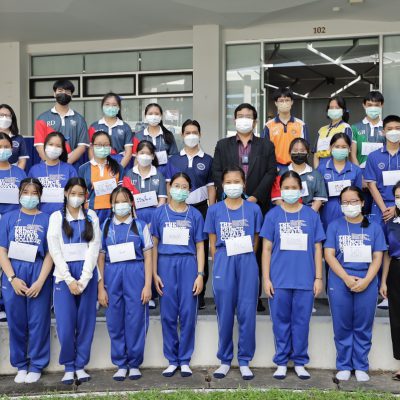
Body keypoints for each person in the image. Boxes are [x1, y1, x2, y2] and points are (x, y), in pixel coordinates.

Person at [260, 170, 325, 380]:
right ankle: (281, 361)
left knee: (301, 323)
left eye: (294, 188)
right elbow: (266, 249)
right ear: (280, 190)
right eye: (286, 188)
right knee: (280, 323)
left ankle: (299, 362)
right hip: (279, 280)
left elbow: (317, 248)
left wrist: (318, 278)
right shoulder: (273, 216)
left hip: (305, 279)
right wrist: (266, 278)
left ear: (301, 190)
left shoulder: (311, 215)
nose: (290, 191)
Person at [213, 102, 276, 312]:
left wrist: (254, 198)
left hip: (256, 205)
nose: (244, 119)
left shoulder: (266, 145)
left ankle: (253, 296)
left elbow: (271, 172)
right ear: (234, 120)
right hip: (229, 206)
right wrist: (231, 197)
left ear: (255, 121)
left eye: (248, 116)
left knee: (254, 250)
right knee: (230, 249)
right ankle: (229, 296)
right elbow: (217, 172)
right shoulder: (223, 145)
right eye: (240, 115)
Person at [204, 166, 263, 381]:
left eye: (237, 181)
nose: (232, 186)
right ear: (222, 185)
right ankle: (225, 359)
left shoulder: (253, 209)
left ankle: (245, 360)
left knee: (247, 312)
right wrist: (220, 261)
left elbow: (256, 239)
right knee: (225, 312)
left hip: (246, 260)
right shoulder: (214, 210)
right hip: (223, 260)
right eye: (228, 182)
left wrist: (245, 256)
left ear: (244, 184)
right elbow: (212, 242)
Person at [325, 186, 386, 382]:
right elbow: (329, 255)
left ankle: (361, 365)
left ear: (362, 202)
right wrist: (345, 278)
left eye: (354, 201)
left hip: (367, 280)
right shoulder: (334, 226)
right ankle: (344, 365)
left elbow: (378, 257)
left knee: (363, 325)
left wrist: (367, 280)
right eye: (345, 202)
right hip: (340, 280)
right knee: (342, 324)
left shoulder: (374, 227)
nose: (349, 205)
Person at [151, 173, 205, 378]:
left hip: (188, 264)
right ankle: (172, 360)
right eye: (176, 185)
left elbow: (200, 246)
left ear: (189, 190)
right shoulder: (159, 213)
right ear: (169, 188)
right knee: (168, 314)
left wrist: (200, 274)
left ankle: (185, 359)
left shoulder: (195, 215)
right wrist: (154, 273)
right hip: (165, 264)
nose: (180, 190)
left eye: (184, 187)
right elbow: (154, 245)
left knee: (188, 314)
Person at [47, 177, 101, 384]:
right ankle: (69, 366)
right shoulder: (56, 217)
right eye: (73, 193)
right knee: (66, 323)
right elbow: (55, 250)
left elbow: (94, 248)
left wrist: (84, 279)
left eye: (81, 194)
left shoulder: (92, 216)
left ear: (86, 196)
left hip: (87, 274)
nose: (77, 198)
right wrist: (69, 279)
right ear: (66, 193)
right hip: (64, 276)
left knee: (86, 322)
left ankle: (80, 365)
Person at [0, 178, 53, 384]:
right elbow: (2, 250)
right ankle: (21, 365)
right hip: (14, 271)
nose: (29, 196)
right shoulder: (8, 217)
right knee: (16, 321)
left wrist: (40, 281)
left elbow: (50, 253)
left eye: (34, 193)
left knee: (39, 321)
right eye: (25, 192)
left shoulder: (47, 219)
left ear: (40, 196)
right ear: (19, 194)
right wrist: (12, 278)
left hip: (38, 271)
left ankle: (37, 364)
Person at [98, 187, 152, 381]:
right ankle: (121, 363)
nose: (121, 205)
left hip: (135, 274)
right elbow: (100, 258)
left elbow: (148, 257)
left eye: (124, 201)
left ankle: (134, 363)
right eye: (117, 202)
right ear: (111, 205)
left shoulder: (140, 226)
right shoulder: (105, 226)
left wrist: (147, 285)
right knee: (114, 320)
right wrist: (101, 287)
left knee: (135, 318)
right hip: (112, 274)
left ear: (131, 203)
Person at [169, 119, 216, 309]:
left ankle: (200, 294)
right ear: (182, 135)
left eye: (194, 132)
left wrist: (211, 210)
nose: (191, 136)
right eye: (187, 132)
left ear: (200, 134)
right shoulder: (174, 159)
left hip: (201, 209)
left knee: (201, 248)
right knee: (181, 248)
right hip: (178, 210)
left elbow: (211, 187)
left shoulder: (208, 159)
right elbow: (169, 186)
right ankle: (179, 291)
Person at [34, 79, 89, 167]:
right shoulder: (42, 118)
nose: (64, 93)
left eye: (67, 92)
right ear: (54, 93)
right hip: (47, 166)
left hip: (71, 166)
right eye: (60, 91)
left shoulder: (79, 119)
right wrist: (51, 164)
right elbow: (39, 145)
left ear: (72, 95)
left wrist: (66, 165)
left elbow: (82, 146)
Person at [317, 133, 362, 230]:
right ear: (330, 148)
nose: (340, 149)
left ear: (349, 149)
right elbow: (318, 194)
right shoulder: (321, 169)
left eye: (344, 147)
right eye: (337, 146)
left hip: (350, 209)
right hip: (328, 210)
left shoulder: (356, 170)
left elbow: (359, 195)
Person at [78, 131, 124, 225]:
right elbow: (81, 193)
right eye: (99, 145)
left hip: (113, 211)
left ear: (110, 147)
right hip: (92, 211)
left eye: (106, 145)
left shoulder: (118, 168)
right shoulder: (83, 168)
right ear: (92, 146)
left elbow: (122, 191)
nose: (102, 147)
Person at [271, 138, 327, 212]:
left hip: (309, 213)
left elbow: (319, 199)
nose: (298, 153)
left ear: (307, 154)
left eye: (302, 151)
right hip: (285, 213)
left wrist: (309, 215)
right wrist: (288, 213)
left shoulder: (316, 174)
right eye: (295, 150)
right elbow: (277, 198)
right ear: (289, 153)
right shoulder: (281, 173)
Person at [28, 131, 77, 215]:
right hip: (40, 216)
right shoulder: (34, 170)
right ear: (45, 146)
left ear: (62, 149)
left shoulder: (69, 169)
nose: (54, 148)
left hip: (63, 215)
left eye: (58, 146)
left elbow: (75, 193)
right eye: (51, 144)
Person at [364, 115, 400, 226]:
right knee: (379, 236)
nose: (394, 132)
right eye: (390, 129)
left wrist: (397, 208)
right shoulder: (373, 156)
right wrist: (384, 209)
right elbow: (371, 185)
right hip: (380, 207)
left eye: (397, 128)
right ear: (383, 132)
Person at [380, 181, 400, 379]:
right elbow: (387, 253)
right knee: (397, 317)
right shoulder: (391, 222)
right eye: (398, 197)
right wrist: (384, 281)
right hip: (396, 269)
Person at [261, 87, 309, 169]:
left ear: (292, 102)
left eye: (287, 100)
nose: (284, 103)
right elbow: (264, 150)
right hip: (275, 167)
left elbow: (306, 148)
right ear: (276, 103)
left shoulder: (301, 125)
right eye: (281, 100)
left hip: (296, 166)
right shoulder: (268, 126)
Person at [122, 140, 167, 225]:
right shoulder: (129, 174)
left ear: (153, 156)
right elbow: (126, 199)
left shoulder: (159, 175)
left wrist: (154, 220)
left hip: (154, 217)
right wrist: (133, 218)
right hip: (134, 216)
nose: (144, 156)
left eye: (148, 153)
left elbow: (162, 200)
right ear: (136, 154)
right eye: (142, 153)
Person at [88, 92, 133, 168]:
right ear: (102, 106)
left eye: (114, 105)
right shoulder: (94, 126)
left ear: (119, 107)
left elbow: (128, 153)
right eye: (107, 104)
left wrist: (119, 169)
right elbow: (91, 149)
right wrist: (96, 166)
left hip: (120, 162)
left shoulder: (125, 127)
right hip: (98, 163)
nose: (110, 107)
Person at [134, 103, 178, 174]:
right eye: (150, 114)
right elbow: (135, 159)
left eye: (157, 114)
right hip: (143, 174)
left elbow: (174, 157)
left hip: (165, 174)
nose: (153, 116)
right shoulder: (138, 136)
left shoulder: (168, 135)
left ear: (161, 116)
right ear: (145, 116)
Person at [313, 96, 353, 168]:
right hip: (321, 169)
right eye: (331, 108)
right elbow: (315, 155)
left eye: (337, 108)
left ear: (343, 110)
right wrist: (317, 171)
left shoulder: (346, 128)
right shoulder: (321, 130)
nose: (334, 110)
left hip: (338, 168)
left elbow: (347, 152)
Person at [351, 91, 385, 169]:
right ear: (364, 105)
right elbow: (352, 155)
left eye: (376, 105)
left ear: (382, 105)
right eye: (369, 105)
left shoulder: (386, 128)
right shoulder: (355, 128)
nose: (373, 108)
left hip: (382, 169)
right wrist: (359, 173)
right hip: (361, 169)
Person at [0, 132, 27, 217]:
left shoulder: (20, 172)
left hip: (16, 218)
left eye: (6, 147)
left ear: (12, 148)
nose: (3, 150)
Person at [0, 104, 29, 170]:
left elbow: (22, 161)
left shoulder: (18, 138)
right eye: (1, 115)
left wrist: (17, 173)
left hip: (12, 173)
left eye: (7, 115)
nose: (4, 118)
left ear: (12, 118)